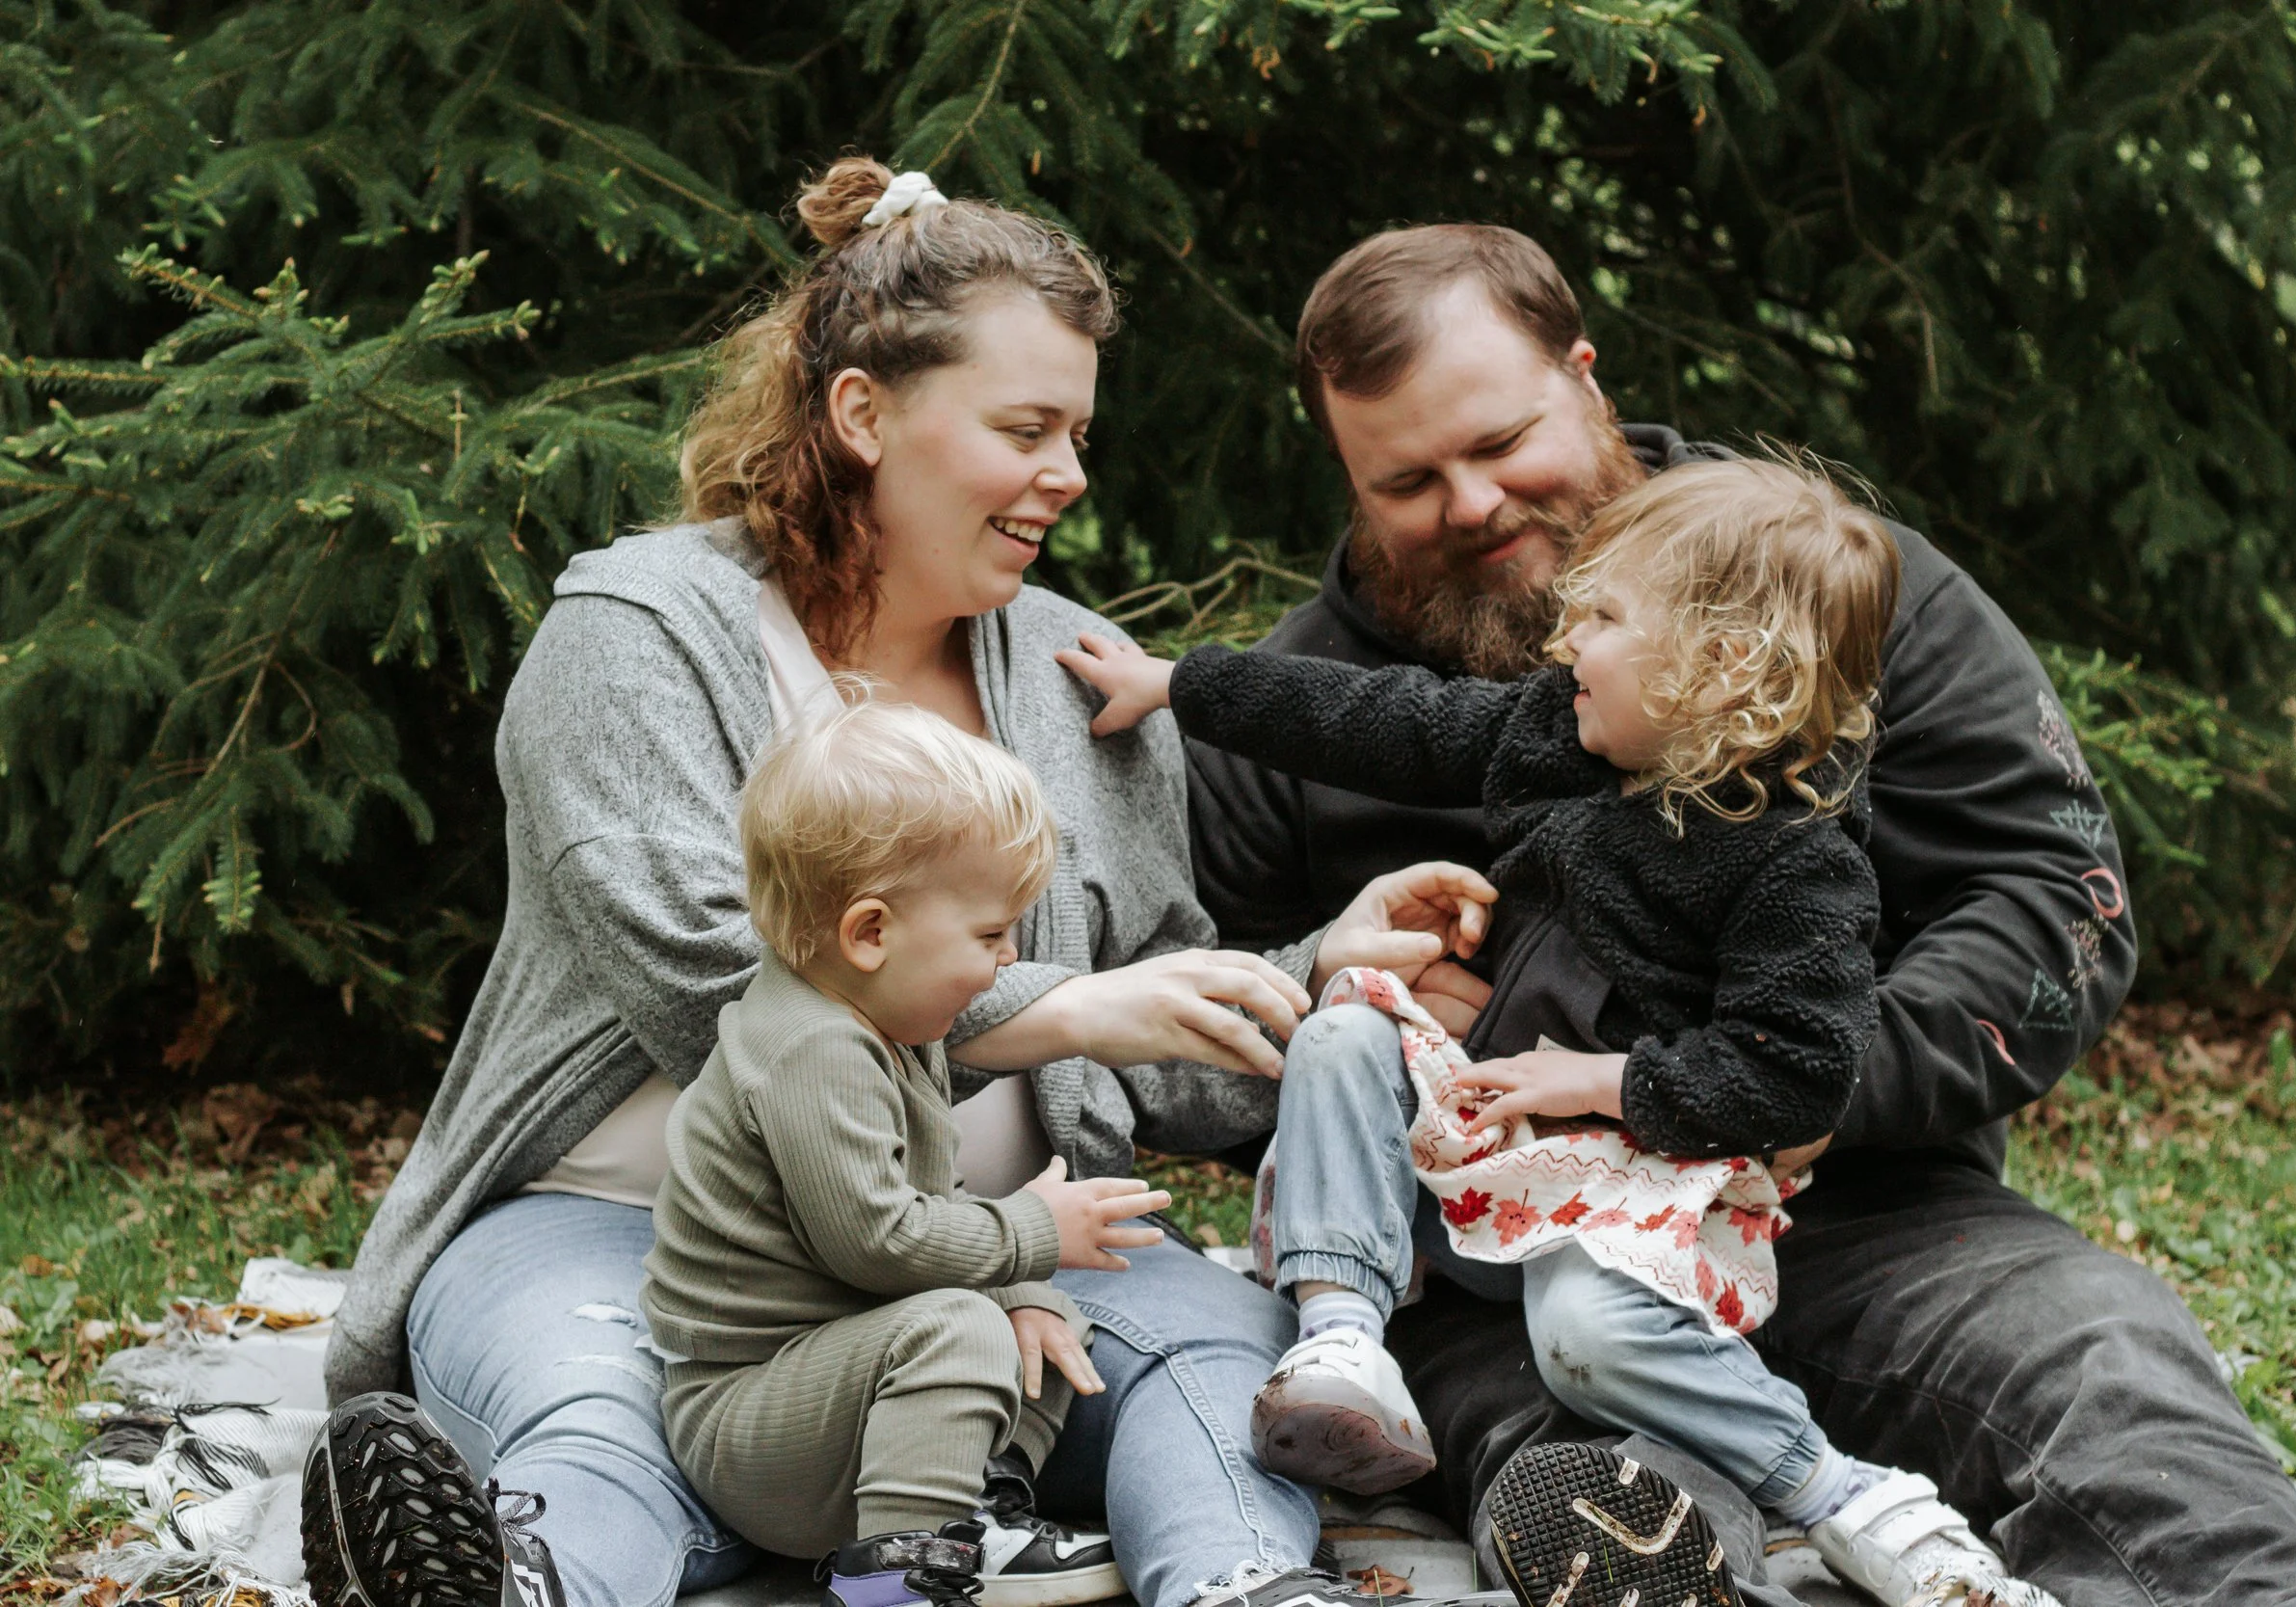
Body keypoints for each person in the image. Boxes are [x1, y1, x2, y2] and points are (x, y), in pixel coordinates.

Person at [305, 160, 1490, 1607]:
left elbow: (1154, 1061)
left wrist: (1318, 974)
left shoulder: (1077, 674)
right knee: (609, 1412)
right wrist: (1068, 1009)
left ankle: (1247, 1585)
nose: (1068, 473)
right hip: (629, 1235)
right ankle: (523, 1581)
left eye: (1079, 432)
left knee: (1212, 1362)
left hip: (1009, 1249)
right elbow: (715, 983)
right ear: (864, 413)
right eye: (1026, 428)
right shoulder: (638, 635)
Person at [1186, 222, 2296, 1607]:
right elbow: (1177, 1041)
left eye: (1502, 440)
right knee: (1565, 1448)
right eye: (1406, 480)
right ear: (1347, 478)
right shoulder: (1290, 715)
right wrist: (1339, 982)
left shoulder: (1833, 588)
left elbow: (2052, 895)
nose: (1468, 502)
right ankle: (1678, 1535)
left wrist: (1806, 1078)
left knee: (2092, 1347)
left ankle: (2282, 1593)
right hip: (1488, 1265)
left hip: (1857, 1212)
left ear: (1584, 376)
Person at [1068, 455, 2059, 1607]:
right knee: (1348, 1033)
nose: (1560, 642)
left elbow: (1798, 1071)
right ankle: (1341, 1340)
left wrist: (1598, 1079)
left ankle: (1845, 1498)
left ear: (1721, 666)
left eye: (1599, 618)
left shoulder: (1800, 863)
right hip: (1482, 1148)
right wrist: (1184, 683)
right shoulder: (1558, 737)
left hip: (1631, 1188)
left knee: (1587, 1331)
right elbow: (1384, 718)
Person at [642, 699, 1165, 1607]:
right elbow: (879, 1242)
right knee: (963, 1325)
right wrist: (1031, 1231)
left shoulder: (881, 1019)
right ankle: (904, 1575)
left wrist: (1021, 1284)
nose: (1009, 960)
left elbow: (927, 1199)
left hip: (842, 1387)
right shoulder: (814, 1049)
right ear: (871, 932)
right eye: (991, 934)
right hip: (753, 1419)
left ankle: (980, 1512)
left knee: (1042, 1323)